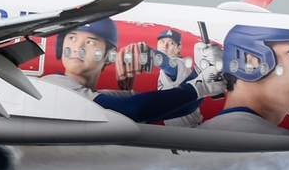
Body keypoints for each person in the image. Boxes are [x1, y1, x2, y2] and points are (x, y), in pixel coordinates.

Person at [44, 19, 224, 123]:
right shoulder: (56, 86)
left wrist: (201, 74)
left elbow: (178, 109)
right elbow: (135, 109)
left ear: (109, 55)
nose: (78, 47)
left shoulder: (94, 95)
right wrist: (200, 86)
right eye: (72, 38)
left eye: (90, 41)